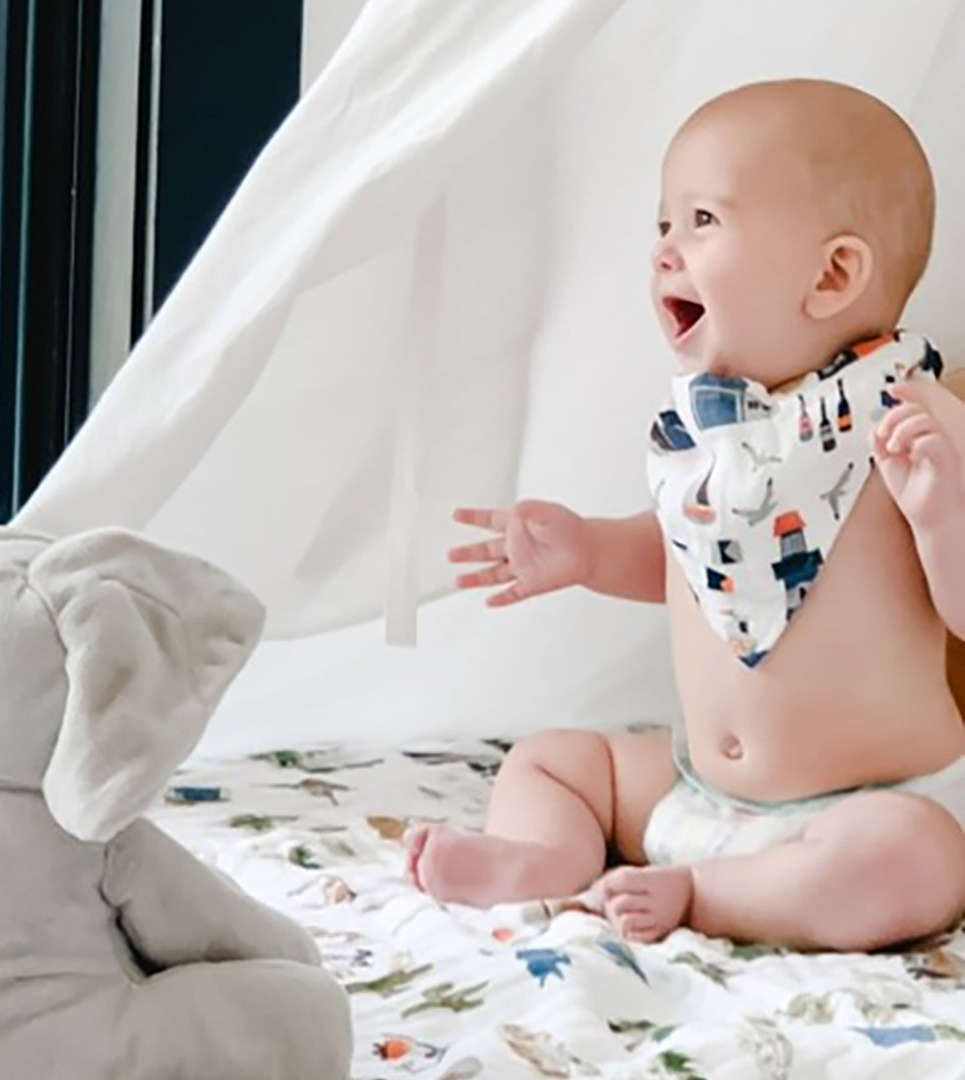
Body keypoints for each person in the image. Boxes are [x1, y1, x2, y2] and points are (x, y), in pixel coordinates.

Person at [404, 78, 965, 951]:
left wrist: (941, 514)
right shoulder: (710, 435)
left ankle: (706, 895)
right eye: (662, 225)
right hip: (693, 789)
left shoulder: (918, 423)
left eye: (702, 221)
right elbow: (693, 570)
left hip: (865, 806)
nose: (665, 251)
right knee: (552, 758)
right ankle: (540, 856)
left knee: (917, 860)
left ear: (832, 275)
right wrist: (589, 551)